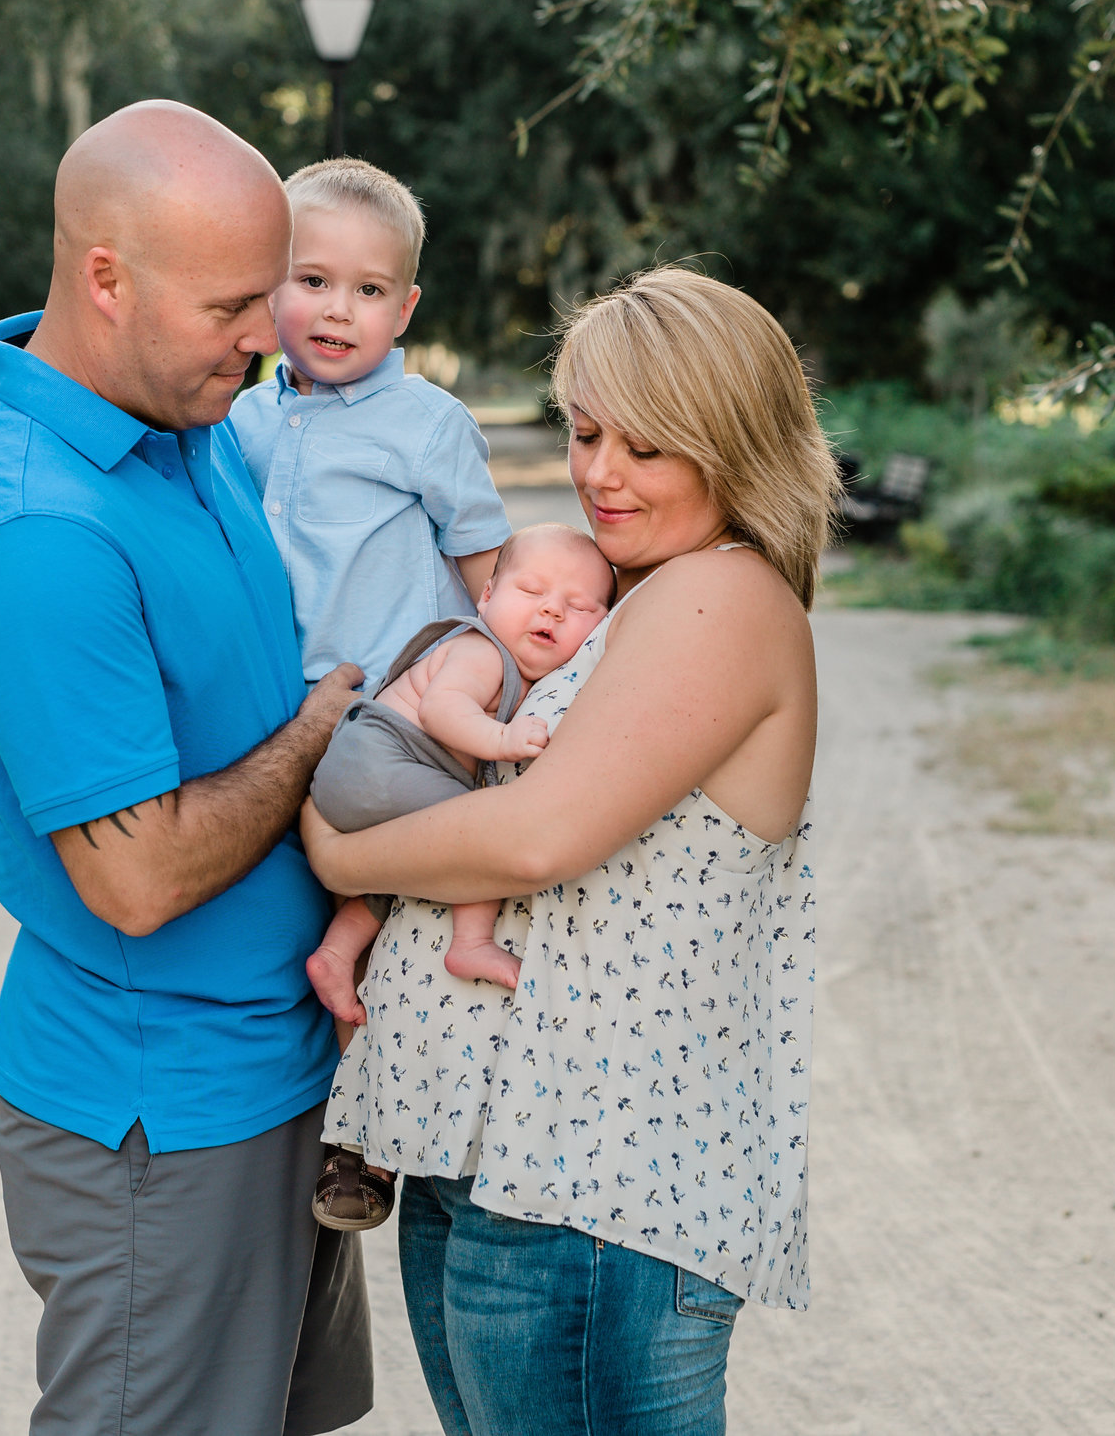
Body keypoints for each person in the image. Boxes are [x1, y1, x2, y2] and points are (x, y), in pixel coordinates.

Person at [302, 267, 841, 1436]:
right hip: (506, 1169)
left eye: (647, 448)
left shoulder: (720, 598)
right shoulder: (632, 597)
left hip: (593, 1194)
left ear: (735, 443)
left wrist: (342, 852)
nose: (598, 473)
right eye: (587, 432)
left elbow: (536, 835)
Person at [0, 100, 372, 1436]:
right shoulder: (34, 529)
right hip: (158, 1118)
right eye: (232, 303)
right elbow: (141, 874)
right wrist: (319, 730)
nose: (266, 337)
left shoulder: (190, 427)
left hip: (270, 1073)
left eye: (271, 295)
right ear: (104, 278)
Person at [299, 524, 614, 1237]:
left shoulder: (521, 663)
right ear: (489, 593)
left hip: (371, 779)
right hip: (381, 762)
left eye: (580, 607)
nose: (551, 612)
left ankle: (339, 952)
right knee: (480, 835)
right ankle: (471, 939)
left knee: (401, 871)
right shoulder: (479, 650)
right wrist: (504, 741)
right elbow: (444, 712)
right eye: (532, 592)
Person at [227, 156, 511, 696]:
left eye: (370, 291)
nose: (340, 310)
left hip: (397, 705)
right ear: (269, 284)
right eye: (313, 280)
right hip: (276, 700)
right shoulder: (242, 418)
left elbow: (492, 582)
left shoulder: (430, 425)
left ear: (405, 310)